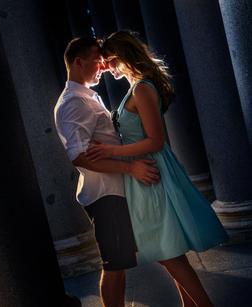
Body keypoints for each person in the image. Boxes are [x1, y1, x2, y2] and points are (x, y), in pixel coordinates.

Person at [87, 30, 229, 307]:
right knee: (169, 250)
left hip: (152, 174)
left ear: (122, 57)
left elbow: (155, 139)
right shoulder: (136, 85)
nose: (105, 68)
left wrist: (111, 151)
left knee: (168, 253)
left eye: (108, 61)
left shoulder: (142, 88)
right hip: (145, 173)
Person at [54, 37, 161, 307]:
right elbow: (78, 155)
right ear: (78, 62)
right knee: (113, 266)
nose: (102, 67)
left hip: (113, 192)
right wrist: (131, 167)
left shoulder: (87, 95)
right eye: (96, 61)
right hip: (105, 196)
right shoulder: (73, 102)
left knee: (120, 264)